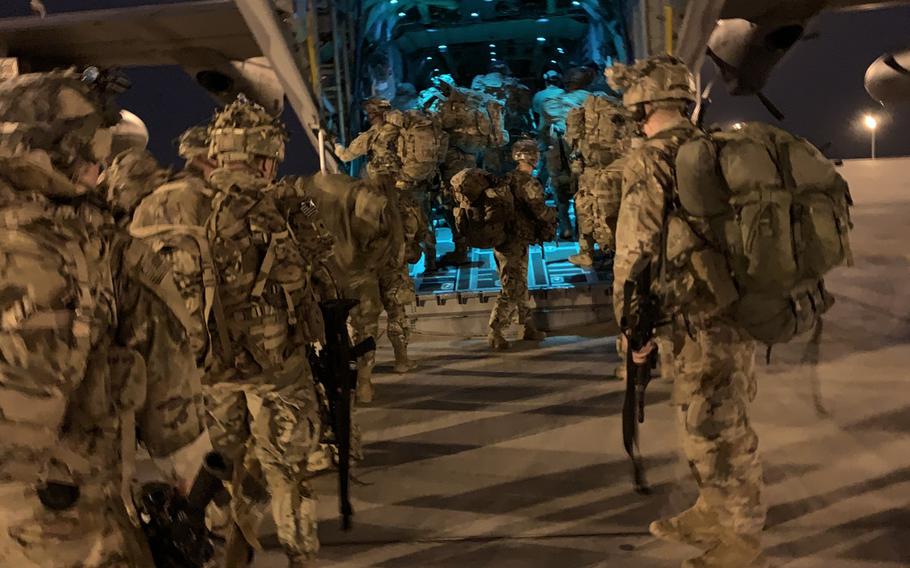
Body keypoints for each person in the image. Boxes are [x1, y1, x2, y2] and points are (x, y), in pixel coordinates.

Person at [0, 68, 206, 567]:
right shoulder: (113, 253)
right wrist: (188, 471)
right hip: (72, 520)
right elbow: (174, 410)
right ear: (71, 155)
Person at [607, 55, 766, 568]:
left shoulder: (651, 158)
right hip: (729, 308)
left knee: (714, 428)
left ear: (643, 106)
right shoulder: (712, 146)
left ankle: (738, 544)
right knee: (717, 416)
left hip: (696, 318)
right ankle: (712, 511)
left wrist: (631, 327)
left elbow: (635, 251)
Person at [198, 96, 325, 567]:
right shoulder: (276, 205)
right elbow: (306, 271)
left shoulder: (182, 202)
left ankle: (227, 533)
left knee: (226, 454)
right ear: (265, 157)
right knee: (288, 463)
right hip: (276, 365)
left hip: (211, 366)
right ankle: (299, 551)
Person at [335, 98, 417, 384]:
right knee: (397, 311)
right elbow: (413, 230)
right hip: (393, 260)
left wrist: (331, 144)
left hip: (366, 268)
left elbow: (345, 156)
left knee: (365, 323)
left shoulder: (359, 200)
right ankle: (402, 361)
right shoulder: (402, 201)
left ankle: (365, 379)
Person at [488, 139, 556, 350]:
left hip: (504, 239)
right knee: (511, 286)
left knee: (519, 282)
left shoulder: (507, 178)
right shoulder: (528, 183)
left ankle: (528, 326)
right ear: (532, 158)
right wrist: (553, 214)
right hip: (515, 241)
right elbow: (540, 211)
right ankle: (495, 331)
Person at [541, 67, 595, 239]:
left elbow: (542, 130)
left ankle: (565, 228)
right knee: (585, 192)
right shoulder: (594, 100)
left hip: (557, 154)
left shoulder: (553, 102)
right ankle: (584, 230)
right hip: (583, 156)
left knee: (560, 194)